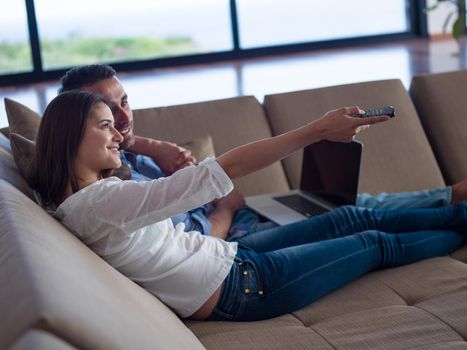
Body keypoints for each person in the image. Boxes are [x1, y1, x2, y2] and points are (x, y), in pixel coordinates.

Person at [31, 90, 467, 321]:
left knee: (351, 215)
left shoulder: (77, 202)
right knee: (372, 242)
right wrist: (316, 130)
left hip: (236, 258)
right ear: (70, 138)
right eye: (106, 127)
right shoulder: (103, 203)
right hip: (247, 289)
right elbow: (222, 169)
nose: (117, 136)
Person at [58, 64, 467, 241]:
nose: (123, 117)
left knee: (345, 203)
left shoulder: (125, 152)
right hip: (236, 238)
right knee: (353, 220)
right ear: (77, 124)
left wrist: (152, 144)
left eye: (125, 101)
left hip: (245, 215)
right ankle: (453, 208)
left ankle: (452, 195)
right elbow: (195, 238)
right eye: (106, 112)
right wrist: (228, 209)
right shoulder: (110, 185)